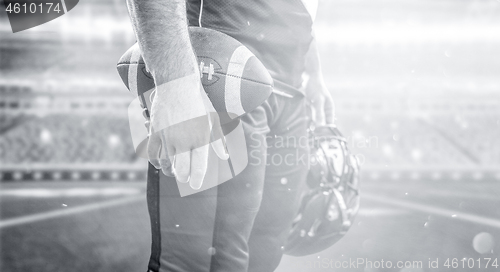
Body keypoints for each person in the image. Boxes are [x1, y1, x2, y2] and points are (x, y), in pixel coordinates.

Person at [126, 0, 335, 271]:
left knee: (262, 254)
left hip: (289, 86)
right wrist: (176, 85)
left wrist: (312, 71)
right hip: (222, 73)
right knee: (197, 262)